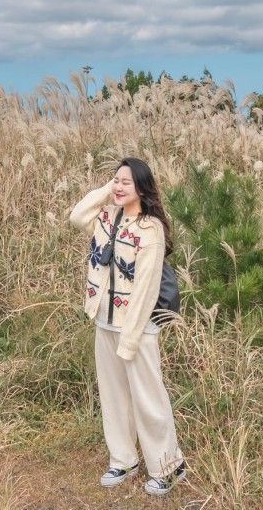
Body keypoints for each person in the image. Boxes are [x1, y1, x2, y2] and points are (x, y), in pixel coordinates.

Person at [69, 157, 185, 497]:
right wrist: (108, 191)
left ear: (143, 189)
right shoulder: (105, 217)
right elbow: (77, 216)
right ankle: (123, 459)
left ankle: (168, 465)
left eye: (127, 183)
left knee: (148, 398)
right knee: (114, 395)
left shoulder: (151, 229)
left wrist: (131, 339)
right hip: (104, 320)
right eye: (116, 181)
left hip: (137, 326)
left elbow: (148, 289)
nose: (119, 187)